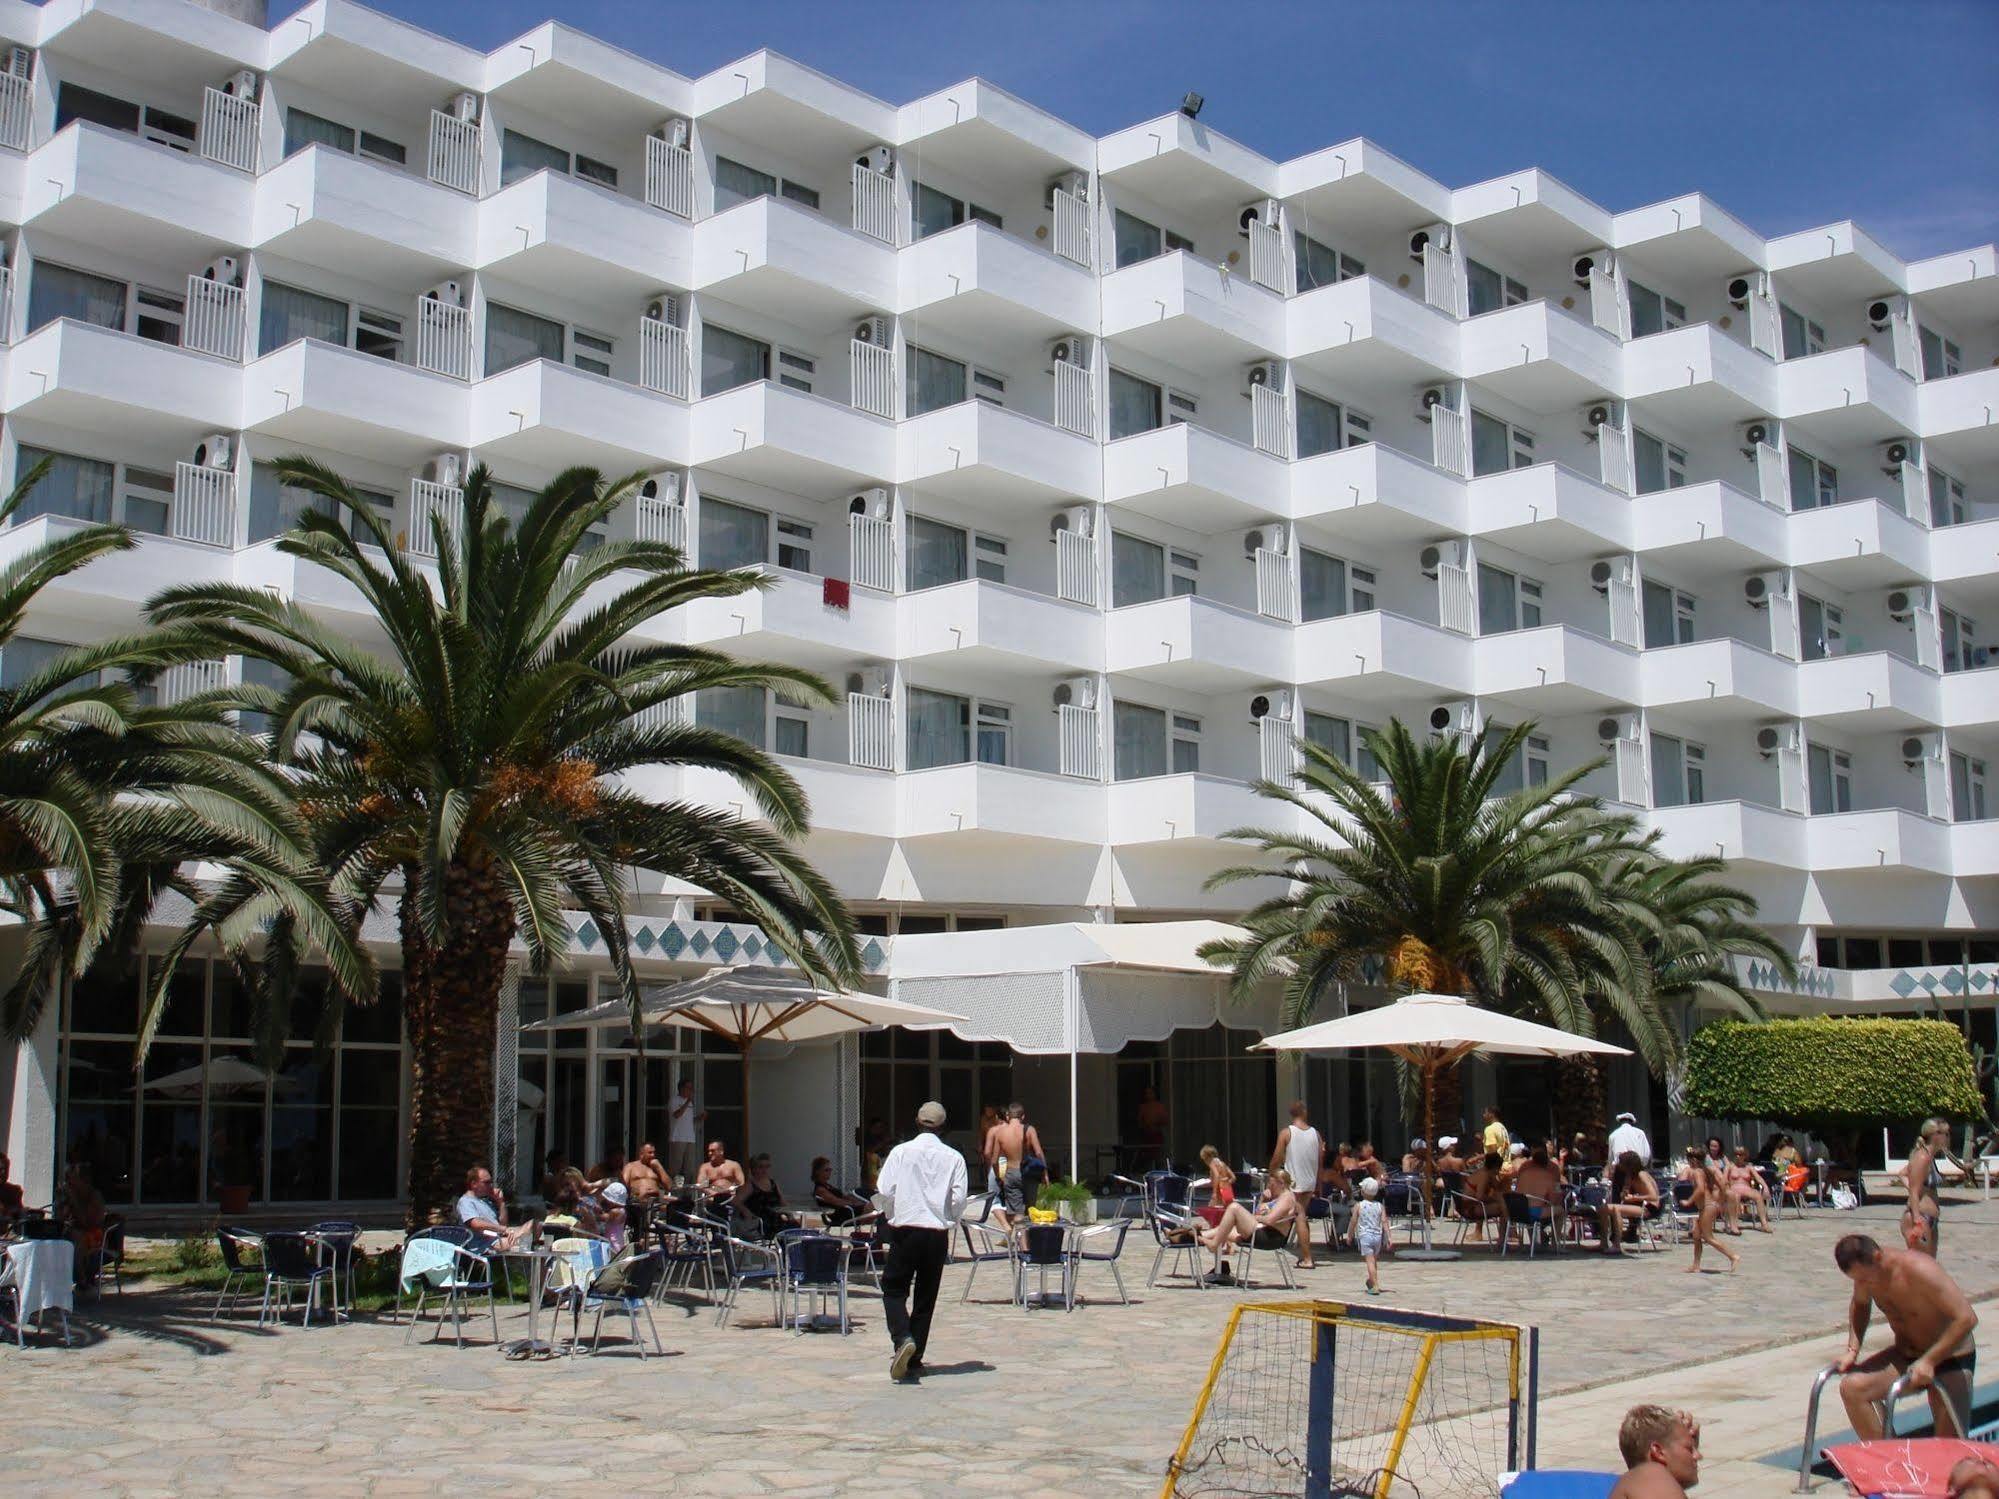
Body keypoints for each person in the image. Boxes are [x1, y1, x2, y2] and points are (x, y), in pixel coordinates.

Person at [1834, 1231, 1978, 1441]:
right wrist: (1852, 1350)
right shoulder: (1866, 1277)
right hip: (1908, 1356)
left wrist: (1930, 1360)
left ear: (1877, 1257)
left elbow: (1966, 1318)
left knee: (1949, 1447)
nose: (1863, 1284)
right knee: (1853, 1388)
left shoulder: (1920, 1270)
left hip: (1950, 1358)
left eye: (1864, 1278)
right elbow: (1860, 1304)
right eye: (1857, 1280)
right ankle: (1894, 1466)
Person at [875, 1100, 967, 1381]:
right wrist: (947, 1218)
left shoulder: (901, 1152)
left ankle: (902, 1337)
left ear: (917, 1122)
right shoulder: (954, 1157)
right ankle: (915, 1358)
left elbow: (883, 1190)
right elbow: (959, 1198)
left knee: (893, 1288)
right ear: (943, 1127)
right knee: (926, 1296)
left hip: (906, 1229)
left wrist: (893, 1213)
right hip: (936, 1233)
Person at [1196, 1169, 1303, 1285]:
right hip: (1262, 1231)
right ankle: (1192, 1236)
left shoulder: (1286, 1198)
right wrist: (1263, 1199)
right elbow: (1259, 1211)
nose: (1270, 1187)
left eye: (1272, 1184)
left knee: (1234, 1208)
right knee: (1221, 1230)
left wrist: (1255, 1218)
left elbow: (1270, 1220)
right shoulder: (1277, 1198)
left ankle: (1214, 1244)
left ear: (1281, 1183)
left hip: (1270, 1237)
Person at [1270, 1102, 1324, 1268]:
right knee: (1299, 1215)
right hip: (1309, 1181)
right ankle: (1303, 1253)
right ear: (1304, 1113)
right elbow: (1320, 1161)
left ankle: (1307, 1258)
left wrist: (1271, 1172)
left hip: (1294, 1181)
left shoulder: (1287, 1133)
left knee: (1299, 1216)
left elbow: (1277, 1157)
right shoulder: (1316, 1134)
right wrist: (1319, 1184)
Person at [1609, 1405, 1701, 1498]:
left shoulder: (1637, 1483)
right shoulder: (1651, 1472)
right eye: (1689, 1449)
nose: (1698, 1456)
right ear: (1658, 1451)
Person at [985, 1102, 1045, 1225]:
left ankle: (1020, 1241)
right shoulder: (1029, 1130)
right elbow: (1038, 1153)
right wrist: (1045, 1173)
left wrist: (998, 1176)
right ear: (1023, 1116)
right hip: (1028, 1172)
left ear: (1008, 1116)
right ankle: (1028, 1239)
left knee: (1016, 1212)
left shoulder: (1000, 1133)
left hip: (1011, 1172)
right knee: (1030, 1209)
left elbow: (994, 1160)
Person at [1681, 1145, 1738, 1275]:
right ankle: (1696, 1265)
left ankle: (1733, 1256)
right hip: (1707, 1207)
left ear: (1694, 1160)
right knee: (1696, 1235)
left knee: (1708, 1237)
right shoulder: (1706, 1170)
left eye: (1689, 1160)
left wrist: (1688, 1201)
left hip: (1707, 1207)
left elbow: (1700, 1189)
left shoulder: (1697, 1172)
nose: (1688, 1162)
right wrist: (1720, 1201)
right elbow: (1722, 1185)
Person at [455, 1163, 535, 1249]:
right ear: (474, 1184)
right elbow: (476, 1224)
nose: (491, 1186)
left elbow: (503, 1223)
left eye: (491, 1182)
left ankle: (522, 1239)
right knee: (527, 1237)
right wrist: (504, 1230)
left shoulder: (485, 1201)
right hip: (485, 1244)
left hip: (499, 1237)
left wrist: (501, 1202)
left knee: (534, 1223)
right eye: (487, 1183)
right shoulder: (465, 1202)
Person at [1600, 1151, 1660, 1255]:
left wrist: (1634, 1198)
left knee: (1616, 1209)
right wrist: (1625, 1192)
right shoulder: (1630, 1176)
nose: (1619, 1165)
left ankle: (1617, 1245)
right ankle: (1603, 1242)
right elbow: (1625, 1193)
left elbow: (1654, 1196)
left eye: (1621, 1162)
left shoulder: (1642, 1175)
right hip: (1638, 1204)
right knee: (1603, 1208)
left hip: (1649, 1207)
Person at [1905, 1116, 1949, 1256]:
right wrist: (1917, 1220)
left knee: (1929, 1265)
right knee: (1921, 1267)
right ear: (1935, 1136)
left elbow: (1904, 1174)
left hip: (1930, 1217)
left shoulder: (1929, 1157)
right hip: (1921, 1218)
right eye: (1946, 1134)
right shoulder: (1922, 1157)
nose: (1948, 1138)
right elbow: (1913, 1191)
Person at [1349, 1176, 1389, 1295]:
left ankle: (1375, 1285)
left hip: (1365, 1236)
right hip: (1377, 1237)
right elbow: (1385, 1221)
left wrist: (1350, 1235)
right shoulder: (1380, 1206)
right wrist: (1389, 1237)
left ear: (1362, 1192)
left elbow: (1353, 1222)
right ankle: (1371, 1281)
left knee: (1370, 1262)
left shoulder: (1359, 1206)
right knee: (1374, 1261)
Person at [739, 1154, 795, 1237]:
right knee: (788, 1232)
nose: (764, 1170)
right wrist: (746, 1211)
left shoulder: (773, 1183)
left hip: (776, 1219)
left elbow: (783, 1202)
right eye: (761, 1167)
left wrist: (789, 1214)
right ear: (753, 1169)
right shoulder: (750, 1185)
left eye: (767, 1167)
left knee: (796, 1227)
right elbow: (735, 1201)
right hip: (761, 1222)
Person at [1724, 1146, 1773, 1233]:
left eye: (1740, 1154)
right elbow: (1724, 1179)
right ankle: (1734, 1225)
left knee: (1758, 1195)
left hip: (1747, 1189)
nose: (1738, 1156)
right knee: (1736, 1196)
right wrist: (1727, 1188)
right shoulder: (1730, 1166)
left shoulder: (1749, 1167)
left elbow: (1758, 1178)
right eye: (1736, 1154)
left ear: (1745, 1155)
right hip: (1734, 1189)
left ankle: (1764, 1224)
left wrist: (1765, 1187)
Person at [810, 1156, 870, 1227]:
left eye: (830, 1169)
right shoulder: (820, 1189)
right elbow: (837, 1201)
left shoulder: (827, 1186)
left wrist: (855, 1200)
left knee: (874, 1206)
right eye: (826, 1170)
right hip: (842, 1214)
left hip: (846, 1210)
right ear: (818, 1172)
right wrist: (854, 1203)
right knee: (872, 1207)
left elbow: (843, 1196)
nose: (830, 1172)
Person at [666, 1079, 704, 1186]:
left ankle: (687, 1194)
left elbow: (689, 1120)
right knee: (675, 1168)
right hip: (678, 1138)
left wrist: (699, 1118)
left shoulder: (690, 1102)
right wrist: (687, 1102)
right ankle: (673, 1192)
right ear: (681, 1088)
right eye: (689, 1088)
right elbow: (676, 1115)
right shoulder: (674, 1100)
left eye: (692, 1088)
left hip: (690, 1138)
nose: (691, 1090)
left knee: (689, 1169)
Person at [696, 1139, 745, 1208]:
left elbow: (741, 1183)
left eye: (712, 1151)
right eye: (709, 1151)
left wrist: (732, 1190)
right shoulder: (705, 1167)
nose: (709, 1153)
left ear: (721, 1151)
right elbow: (701, 1185)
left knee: (736, 1200)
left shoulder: (734, 1165)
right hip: (712, 1197)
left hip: (731, 1197)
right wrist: (714, 1193)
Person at [1197, 1144, 1236, 1218]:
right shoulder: (1223, 1164)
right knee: (1226, 1212)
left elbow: (1217, 1175)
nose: (1205, 1162)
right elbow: (1233, 1177)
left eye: (1204, 1159)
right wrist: (1225, 1182)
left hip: (1219, 1192)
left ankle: (1215, 1228)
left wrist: (1215, 1192)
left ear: (1207, 1157)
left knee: (1210, 1212)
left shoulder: (1212, 1163)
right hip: (1227, 1189)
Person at [0, 1151, 24, 1224]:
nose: (4, 1173)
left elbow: (20, 1214)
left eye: (6, 1169)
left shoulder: (14, 1191)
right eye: (0, 1169)